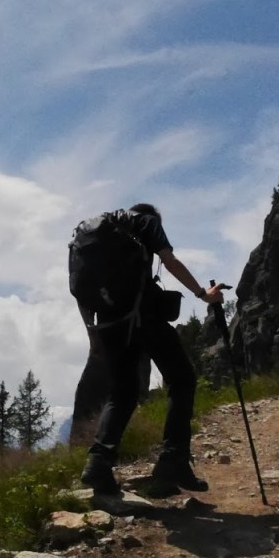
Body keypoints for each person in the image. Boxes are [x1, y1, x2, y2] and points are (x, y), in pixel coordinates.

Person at [77, 203, 227, 495]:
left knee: (122, 393)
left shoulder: (93, 239)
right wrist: (202, 294)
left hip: (109, 325)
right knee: (182, 379)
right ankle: (173, 460)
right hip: (143, 316)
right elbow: (169, 261)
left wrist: (92, 334)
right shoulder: (146, 222)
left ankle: (98, 464)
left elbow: (81, 290)